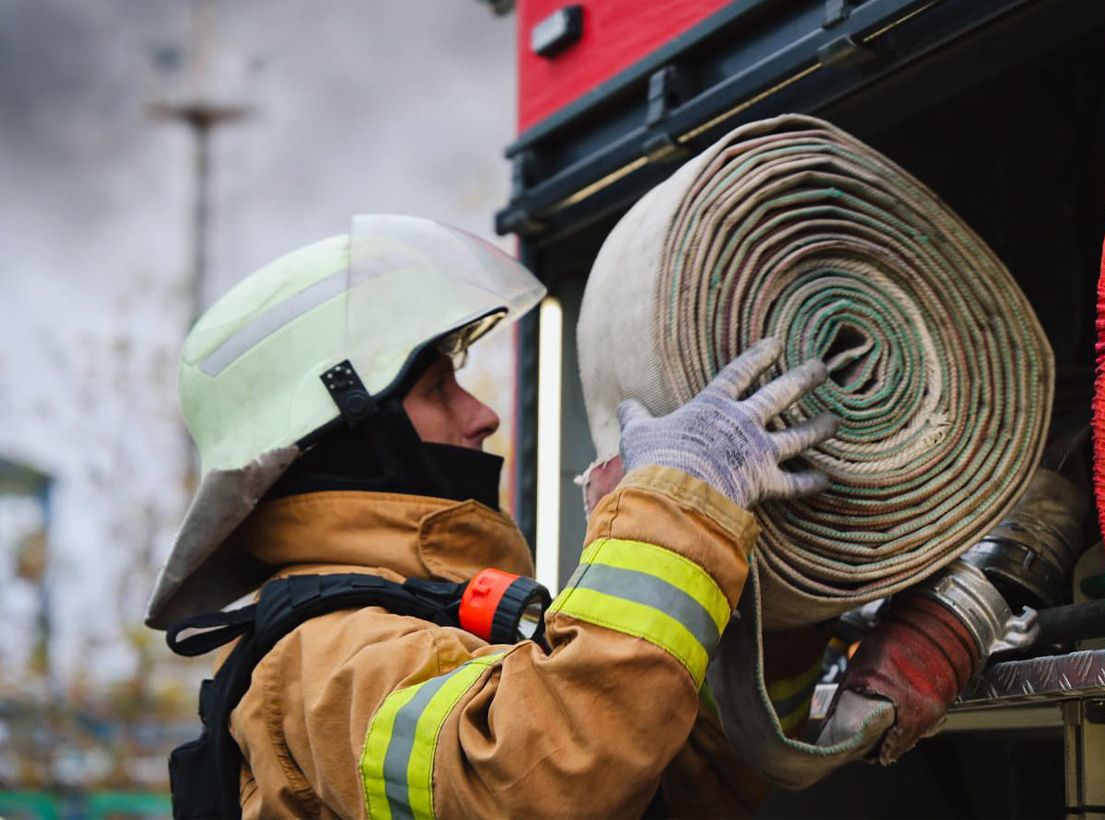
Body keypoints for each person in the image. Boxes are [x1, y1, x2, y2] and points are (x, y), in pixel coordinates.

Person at [149, 215, 839, 818]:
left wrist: (778, 604)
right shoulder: (322, 657)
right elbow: (535, 785)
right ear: (350, 436)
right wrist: (671, 508)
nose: (482, 416)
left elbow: (684, 790)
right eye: (437, 389)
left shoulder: (424, 619)